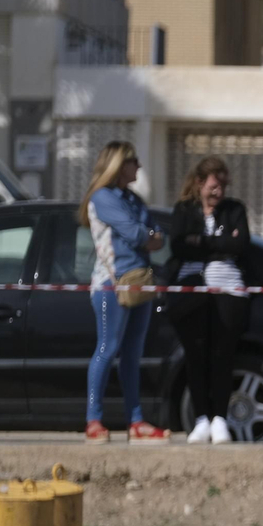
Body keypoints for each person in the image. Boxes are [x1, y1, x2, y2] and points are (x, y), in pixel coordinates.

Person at [78, 140, 170, 444]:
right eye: (134, 161)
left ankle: (136, 421)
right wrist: (147, 236)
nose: (139, 167)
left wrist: (147, 235)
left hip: (139, 282)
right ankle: (94, 420)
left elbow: (156, 234)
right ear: (120, 164)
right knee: (108, 348)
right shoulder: (102, 197)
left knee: (133, 355)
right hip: (111, 285)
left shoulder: (132, 198)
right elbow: (136, 232)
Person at [164, 156, 250, 444]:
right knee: (195, 355)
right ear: (200, 183)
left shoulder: (235, 209)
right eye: (214, 186)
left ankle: (220, 418)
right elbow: (177, 245)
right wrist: (219, 245)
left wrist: (200, 243)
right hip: (191, 291)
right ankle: (201, 418)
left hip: (228, 290)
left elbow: (241, 244)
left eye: (223, 186)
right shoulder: (183, 210)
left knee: (222, 355)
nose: (219, 192)